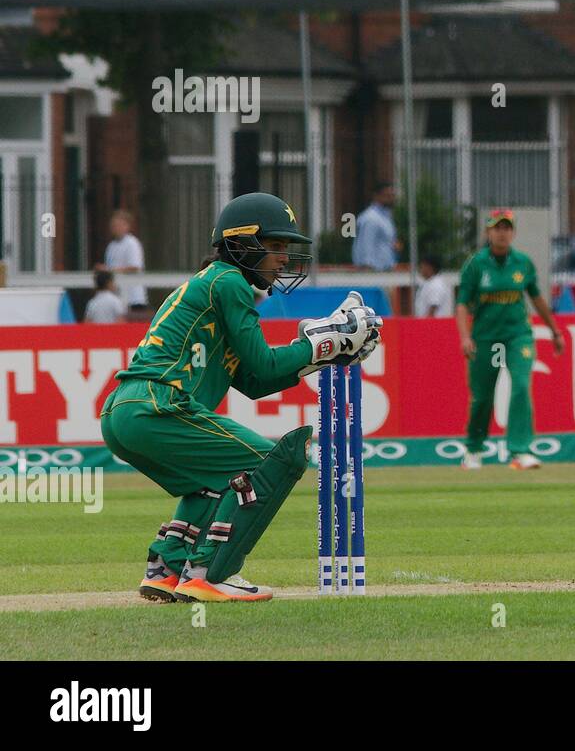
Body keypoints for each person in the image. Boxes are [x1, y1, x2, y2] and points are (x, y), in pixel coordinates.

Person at [99, 192, 382, 603]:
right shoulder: (229, 281)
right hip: (159, 404)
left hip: (126, 411)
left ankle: (169, 567)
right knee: (267, 461)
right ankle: (212, 574)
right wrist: (325, 341)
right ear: (243, 243)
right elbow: (266, 366)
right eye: (277, 246)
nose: (285, 258)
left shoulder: (214, 283)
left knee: (211, 481)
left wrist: (328, 353)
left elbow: (254, 380)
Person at [456, 209, 566, 470]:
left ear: (513, 232)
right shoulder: (475, 264)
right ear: (488, 232)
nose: (502, 233)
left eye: (507, 228)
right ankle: (473, 449)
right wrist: (464, 337)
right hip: (485, 338)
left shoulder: (523, 263)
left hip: (518, 336)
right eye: (497, 228)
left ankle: (520, 451)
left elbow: (536, 298)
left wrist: (555, 331)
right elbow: (462, 304)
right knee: (482, 396)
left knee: (520, 386)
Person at [97, 209, 147, 312]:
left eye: (119, 225)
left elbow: (134, 267)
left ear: (127, 226)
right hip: (116, 297)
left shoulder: (132, 243)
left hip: (133, 298)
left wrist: (109, 270)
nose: (116, 228)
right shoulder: (111, 246)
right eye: (114, 225)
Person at [352, 181, 400, 271]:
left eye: (392, 195)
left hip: (386, 269)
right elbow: (366, 245)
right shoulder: (371, 218)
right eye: (387, 196)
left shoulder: (386, 217)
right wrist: (367, 269)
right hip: (374, 271)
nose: (392, 199)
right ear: (376, 196)